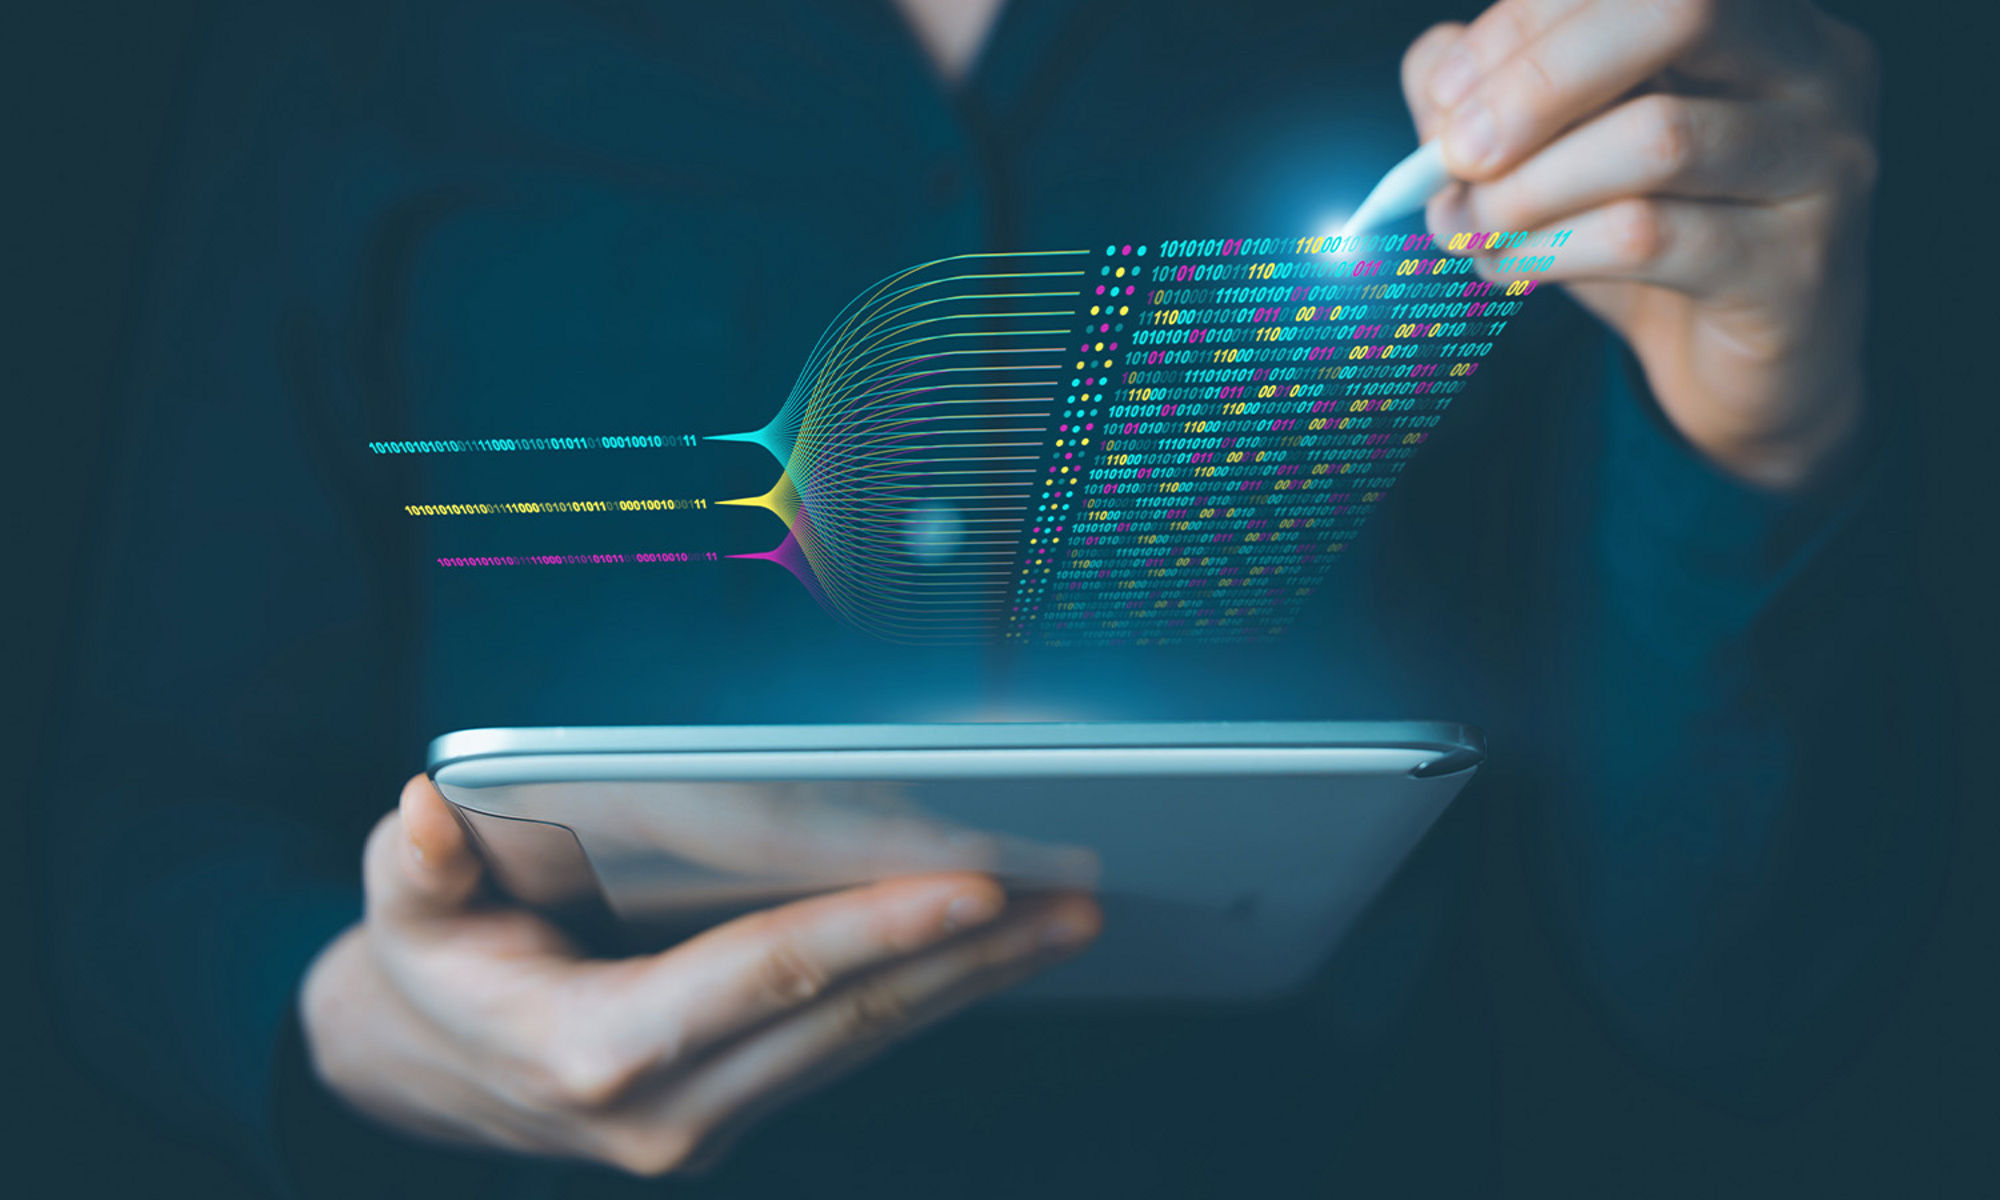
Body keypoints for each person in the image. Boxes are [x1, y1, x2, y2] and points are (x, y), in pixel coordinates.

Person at [41, 0, 1944, 1195]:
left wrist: (1764, 427)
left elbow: (1755, 1026)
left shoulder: (1558, 62)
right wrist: (338, 1022)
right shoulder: (359, 43)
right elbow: (140, 817)